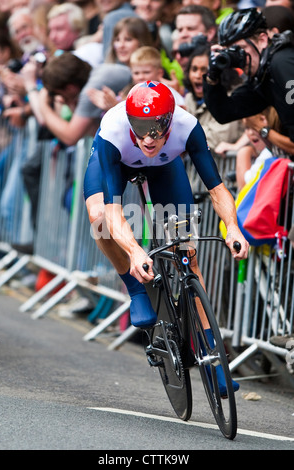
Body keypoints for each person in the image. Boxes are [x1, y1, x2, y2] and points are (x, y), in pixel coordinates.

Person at [84, 80, 249, 395]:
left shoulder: (188, 127)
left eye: (157, 127)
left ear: (171, 119)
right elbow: (115, 210)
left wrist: (234, 229)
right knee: (100, 219)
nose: (148, 137)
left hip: (163, 168)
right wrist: (134, 252)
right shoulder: (114, 132)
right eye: (140, 126)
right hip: (117, 164)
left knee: (189, 256)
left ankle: (214, 361)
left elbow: (216, 189)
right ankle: (137, 291)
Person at [203, 8, 294, 151]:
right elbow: (224, 113)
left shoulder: (282, 62)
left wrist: (263, 129)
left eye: (241, 48)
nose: (238, 58)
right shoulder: (263, 77)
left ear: (263, 40)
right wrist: (212, 76)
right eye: (231, 51)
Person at [183, 41, 243, 153]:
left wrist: (183, 135)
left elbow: (218, 138)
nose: (197, 75)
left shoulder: (231, 96)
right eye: (194, 69)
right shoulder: (189, 98)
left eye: (204, 70)